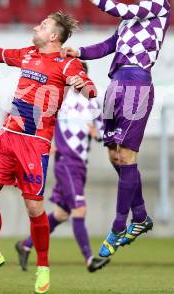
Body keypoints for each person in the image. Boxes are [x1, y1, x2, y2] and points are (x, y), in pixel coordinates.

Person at [0, 11, 97, 294]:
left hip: (35, 144)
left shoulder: (67, 64)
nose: (37, 26)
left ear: (53, 36)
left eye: (44, 24)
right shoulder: (26, 54)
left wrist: (86, 88)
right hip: (7, 137)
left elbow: (86, 84)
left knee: (34, 208)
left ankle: (43, 266)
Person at [62, 0, 173, 258]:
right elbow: (109, 45)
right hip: (116, 84)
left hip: (137, 82)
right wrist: (80, 52)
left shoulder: (160, 5)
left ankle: (118, 226)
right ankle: (140, 216)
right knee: (114, 155)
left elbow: (120, 8)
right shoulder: (131, 20)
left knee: (126, 156)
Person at [15, 62, 110, 273]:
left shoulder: (93, 104)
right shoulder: (59, 99)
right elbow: (39, 121)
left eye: (80, 75)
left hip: (80, 165)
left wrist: (97, 133)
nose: (76, 78)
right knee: (79, 209)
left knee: (60, 214)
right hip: (66, 162)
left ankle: (25, 245)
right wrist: (45, 142)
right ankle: (89, 259)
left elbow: (104, 133)